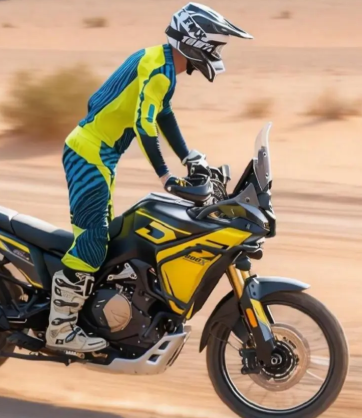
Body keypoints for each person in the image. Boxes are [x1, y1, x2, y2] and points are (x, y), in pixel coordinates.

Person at [46, 2, 253, 352]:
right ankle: (60, 329)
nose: (217, 52)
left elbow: (163, 114)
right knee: (93, 241)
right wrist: (165, 177)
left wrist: (189, 157)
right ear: (196, 41)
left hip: (99, 155)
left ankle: (96, 313)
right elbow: (145, 124)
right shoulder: (159, 70)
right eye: (215, 45)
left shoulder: (162, 64)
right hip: (89, 154)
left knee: (108, 238)